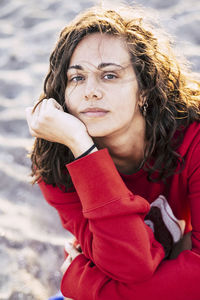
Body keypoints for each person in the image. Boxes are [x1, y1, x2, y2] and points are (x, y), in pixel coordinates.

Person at [26, 3, 200, 300]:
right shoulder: (55, 164)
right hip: (126, 273)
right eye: (77, 78)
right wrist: (83, 149)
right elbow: (130, 266)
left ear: (145, 88)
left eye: (109, 75)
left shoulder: (192, 137)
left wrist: (81, 283)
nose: (90, 91)